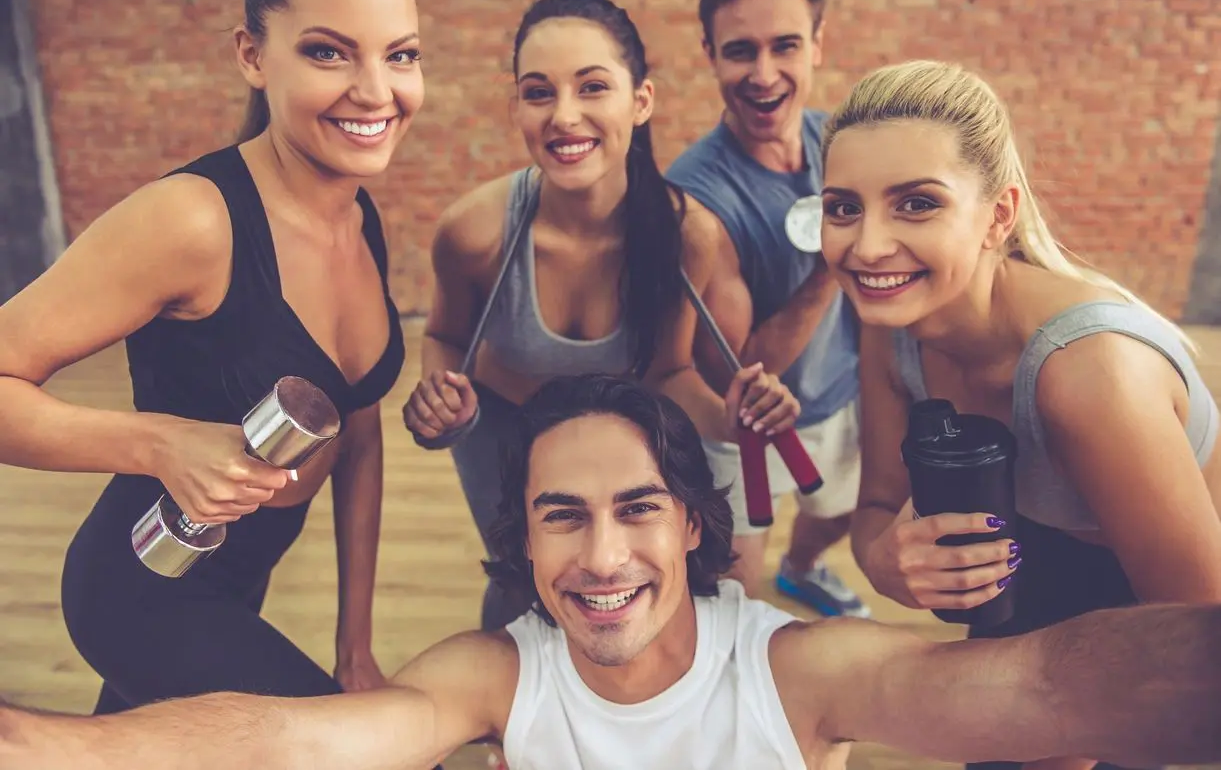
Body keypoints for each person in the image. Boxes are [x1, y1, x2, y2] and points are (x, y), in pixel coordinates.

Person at [4, 373, 1221, 770]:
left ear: (692, 525)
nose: (599, 559)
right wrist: (41, 742)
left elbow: (1054, 688)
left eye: (637, 510)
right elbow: (290, 740)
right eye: (560, 518)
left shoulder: (796, 669)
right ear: (522, 542)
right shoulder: (494, 671)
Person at [0, 0, 414, 715]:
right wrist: (161, 442)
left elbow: (356, 429)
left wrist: (353, 641)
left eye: (399, 54)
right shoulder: (193, 220)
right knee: (352, 746)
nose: (375, 89)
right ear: (252, 56)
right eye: (329, 51)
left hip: (239, 576)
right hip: (142, 587)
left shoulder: (358, 216)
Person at [822, 60, 1221, 770]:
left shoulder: (1088, 375)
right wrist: (885, 563)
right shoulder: (889, 323)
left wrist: (1066, 726)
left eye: (916, 203)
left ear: (996, 215)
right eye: (843, 206)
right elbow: (876, 509)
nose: (867, 244)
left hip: (1161, 607)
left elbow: (1200, 643)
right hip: (1033, 566)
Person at [402, 0, 799, 632]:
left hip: (621, 441)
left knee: (613, 593)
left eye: (592, 87)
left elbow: (669, 376)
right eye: (539, 93)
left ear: (640, 101)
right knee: (521, 586)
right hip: (506, 431)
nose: (564, 116)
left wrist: (730, 415)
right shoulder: (473, 232)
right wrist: (441, 401)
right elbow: (446, 338)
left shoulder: (687, 236)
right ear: (517, 107)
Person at [666, 0, 868, 616]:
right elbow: (735, 373)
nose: (762, 73)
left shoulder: (843, 144)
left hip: (841, 396)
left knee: (837, 512)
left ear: (816, 46)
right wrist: (828, 272)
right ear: (709, 54)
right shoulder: (696, 203)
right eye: (739, 50)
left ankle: (803, 567)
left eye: (783, 46)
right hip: (743, 428)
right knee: (732, 598)